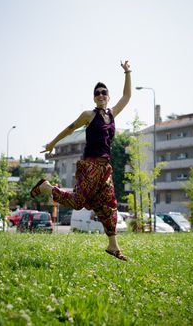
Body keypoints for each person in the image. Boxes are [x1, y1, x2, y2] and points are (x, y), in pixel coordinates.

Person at [31, 60, 132, 261]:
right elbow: (70, 128)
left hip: (105, 169)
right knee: (77, 202)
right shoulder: (88, 115)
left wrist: (127, 72)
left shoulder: (112, 114)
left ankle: (113, 246)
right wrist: (52, 143)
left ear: (108, 96)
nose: (101, 95)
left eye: (104, 92)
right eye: (97, 93)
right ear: (94, 98)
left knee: (108, 206)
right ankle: (47, 188)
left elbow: (127, 96)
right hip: (90, 166)